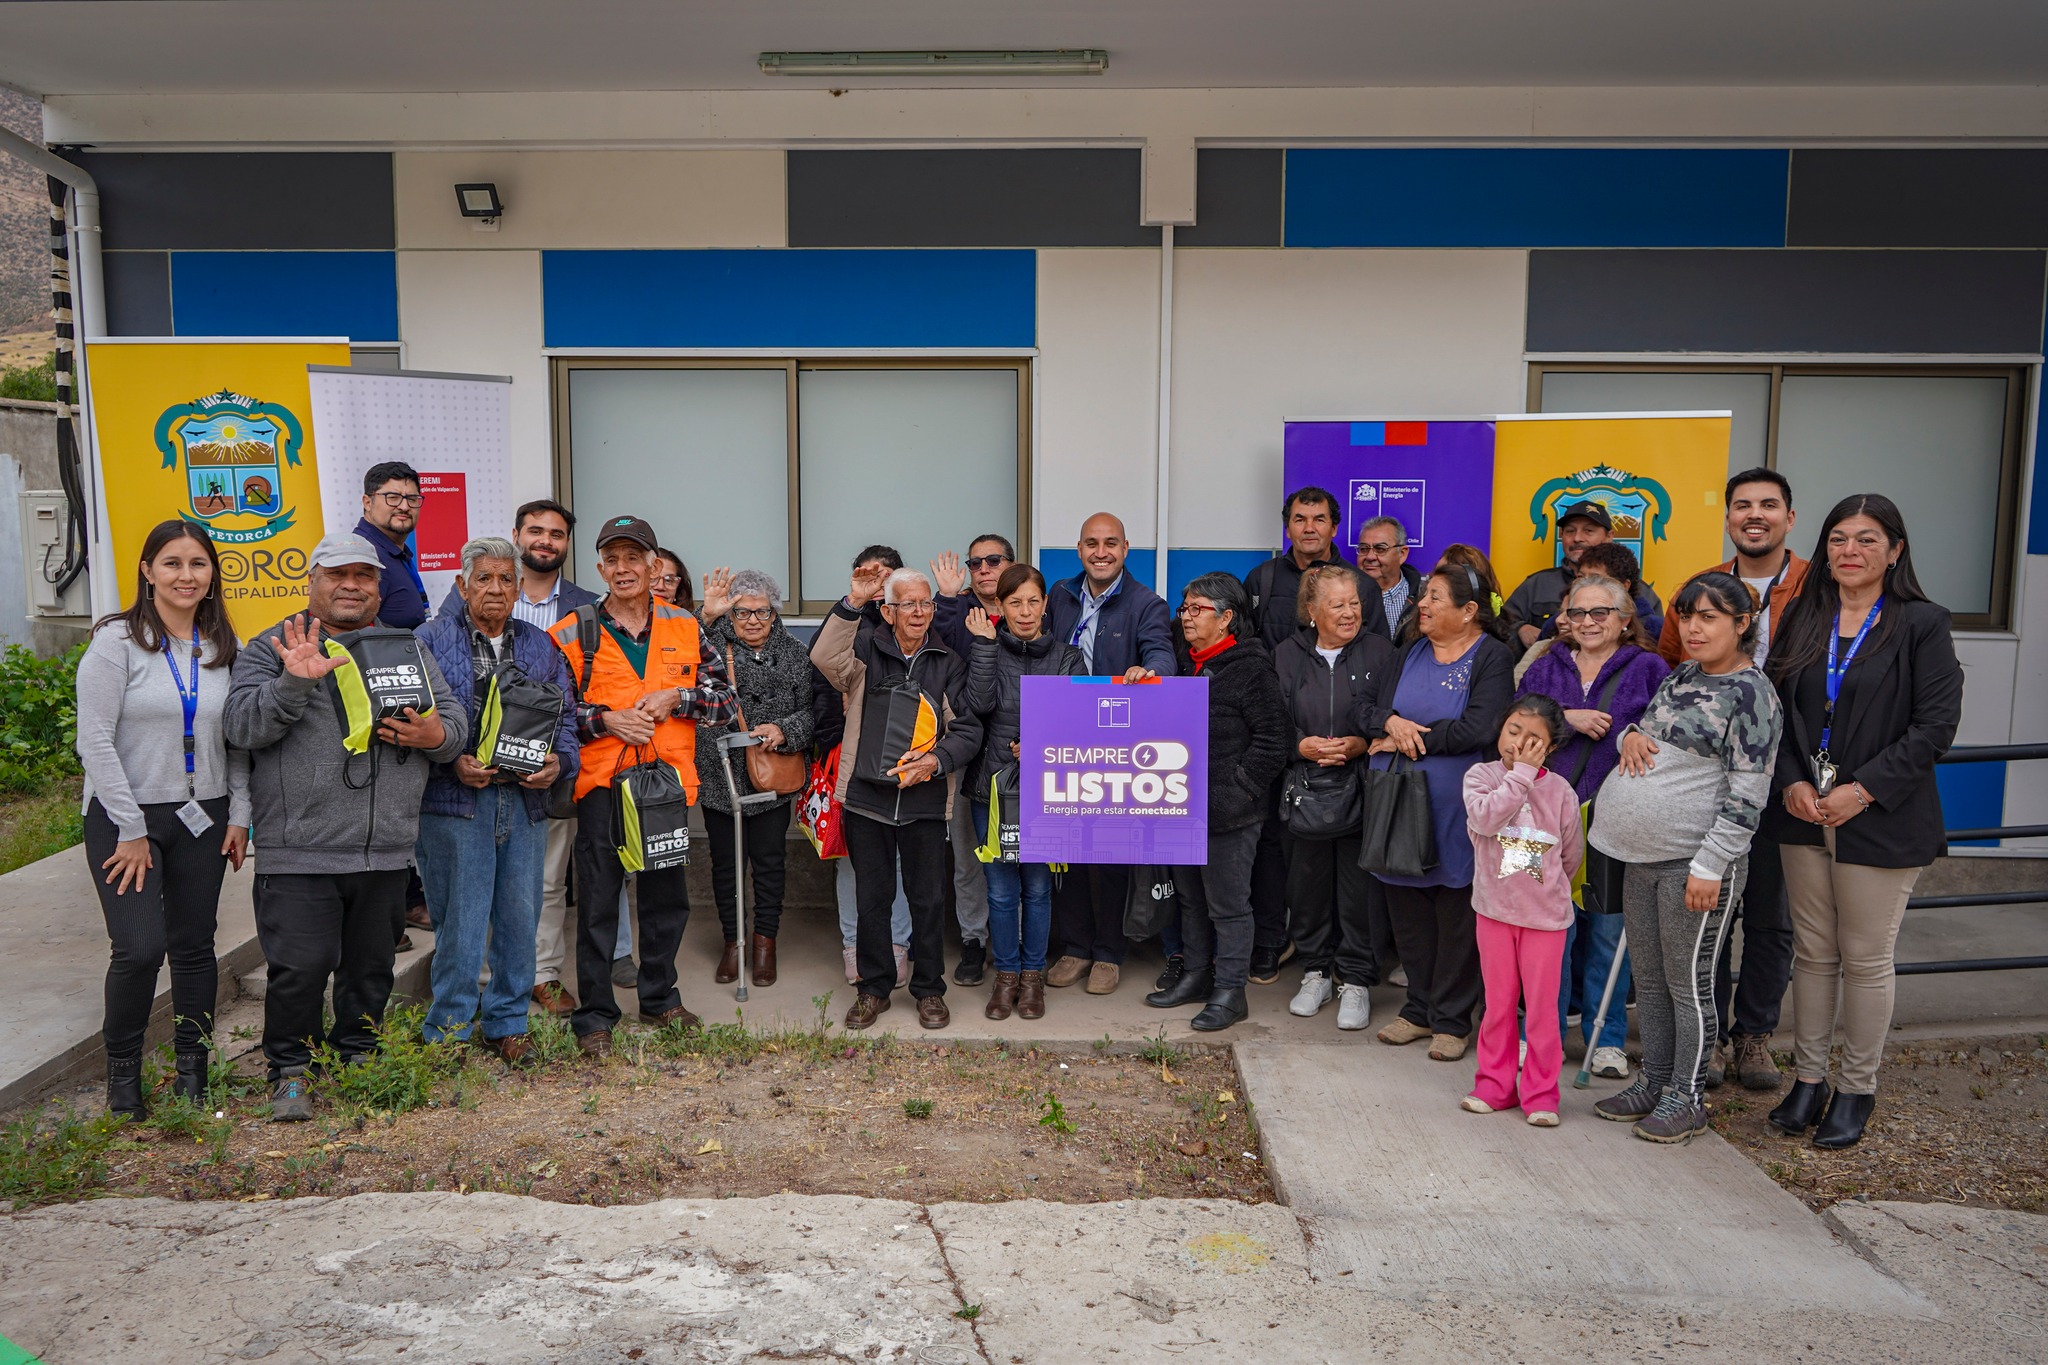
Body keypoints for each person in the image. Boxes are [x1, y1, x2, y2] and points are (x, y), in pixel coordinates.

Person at [225, 532, 466, 1122]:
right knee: (299, 970)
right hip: (300, 850)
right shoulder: (271, 646)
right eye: (339, 574)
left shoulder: (406, 648)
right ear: (313, 581)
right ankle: (290, 1070)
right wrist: (294, 683)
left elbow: (454, 719)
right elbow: (240, 728)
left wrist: (436, 736)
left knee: (369, 970)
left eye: (366, 575)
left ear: (380, 587)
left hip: (384, 849)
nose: (353, 585)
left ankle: (357, 1055)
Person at [1764, 495, 1960, 1151]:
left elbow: (1934, 726)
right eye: (1839, 538)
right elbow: (1773, 706)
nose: (1851, 550)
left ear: (1895, 550)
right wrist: (1791, 778)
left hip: (1879, 816)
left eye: (1868, 539)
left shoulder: (1922, 623)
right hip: (1802, 809)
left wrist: (1864, 788)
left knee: (1866, 959)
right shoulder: (1803, 615)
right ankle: (1810, 1079)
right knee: (1814, 954)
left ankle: (1856, 1088)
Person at [1589, 572, 1782, 1145]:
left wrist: (1710, 865)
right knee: (1648, 981)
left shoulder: (1752, 694)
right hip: (1644, 858)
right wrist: (1627, 734)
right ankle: (1656, 1081)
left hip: (1694, 866)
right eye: (1687, 615)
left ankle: (1687, 1097)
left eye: (1709, 617)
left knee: (1687, 984)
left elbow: (1750, 793)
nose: (1694, 628)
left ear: (1741, 624)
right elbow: (1653, 738)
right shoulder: (1683, 675)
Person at [76, 518, 250, 1119]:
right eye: (171, 563)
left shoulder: (226, 649)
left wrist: (241, 816)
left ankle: (192, 1073)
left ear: (212, 576)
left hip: (206, 813)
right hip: (127, 816)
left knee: (195, 947)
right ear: (148, 571)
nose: (185, 575)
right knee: (140, 949)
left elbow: (240, 745)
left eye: (197, 564)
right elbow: (94, 740)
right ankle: (122, 1079)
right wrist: (130, 827)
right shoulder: (116, 643)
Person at [546, 514, 735, 1056]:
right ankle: (596, 1015)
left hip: (666, 786)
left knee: (666, 899)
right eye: (614, 559)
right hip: (602, 785)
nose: (624, 568)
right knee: (601, 902)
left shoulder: (688, 627)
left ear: (655, 567)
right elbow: (556, 715)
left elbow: (724, 704)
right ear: (600, 567)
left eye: (635, 558)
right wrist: (604, 720)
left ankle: (659, 998)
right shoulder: (572, 631)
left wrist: (680, 699)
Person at [1659, 468, 1810, 1092]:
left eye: (1769, 505)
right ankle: (1713, 1036)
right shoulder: (1702, 588)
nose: (1756, 515)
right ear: (1727, 517)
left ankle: (1755, 1036)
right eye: (1742, 505)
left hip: (1788, 777)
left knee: (1772, 916)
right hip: (1709, 783)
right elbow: (1671, 665)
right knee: (1711, 908)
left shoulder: (1814, 587)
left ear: (1789, 518)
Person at [414, 537, 578, 1064]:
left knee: (518, 917)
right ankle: (450, 1029)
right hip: (455, 804)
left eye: (506, 579)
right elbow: (406, 721)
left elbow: (567, 720)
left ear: (519, 588)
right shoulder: (428, 641)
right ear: (462, 585)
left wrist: (557, 765)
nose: (496, 589)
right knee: (460, 921)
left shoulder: (539, 644)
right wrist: (450, 757)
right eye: (483, 578)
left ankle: (508, 1022)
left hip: (525, 805)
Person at [812, 561, 983, 1031]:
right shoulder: (867, 649)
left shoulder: (947, 662)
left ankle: (929, 990)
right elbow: (825, 659)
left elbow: (967, 730)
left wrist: (935, 761)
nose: (920, 612)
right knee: (873, 898)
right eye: (909, 604)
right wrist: (852, 605)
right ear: (888, 611)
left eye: (926, 603)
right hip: (867, 798)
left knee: (927, 899)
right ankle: (874, 989)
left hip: (925, 802)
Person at [1515, 574, 1671, 1079]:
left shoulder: (1649, 667)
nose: (1586, 623)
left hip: (1615, 818)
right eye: (1577, 613)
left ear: (1625, 621)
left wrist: (1631, 733)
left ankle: (1606, 1041)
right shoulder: (1545, 665)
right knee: (1546, 935)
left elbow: (1665, 734)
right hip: (1540, 819)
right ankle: (1543, 1036)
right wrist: (1567, 718)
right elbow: (1517, 729)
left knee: (1608, 932)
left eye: (1599, 613)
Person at [1358, 565, 1514, 1061]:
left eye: (1436, 597)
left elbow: (1480, 728)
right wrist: (1388, 722)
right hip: (1399, 806)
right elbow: (1364, 708)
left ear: (1469, 611)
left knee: (1455, 916)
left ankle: (1451, 1021)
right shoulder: (1407, 652)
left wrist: (1404, 738)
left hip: (1459, 810)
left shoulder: (1492, 656)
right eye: (1424, 595)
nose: (1422, 603)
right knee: (1408, 914)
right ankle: (1417, 1011)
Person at [1144, 573, 1289, 1032]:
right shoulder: (1184, 667)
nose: (1185, 617)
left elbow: (1273, 742)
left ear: (1226, 618)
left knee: (1228, 904)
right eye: (1184, 609)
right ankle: (1195, 976)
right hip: (1180, 807)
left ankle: (1230, 991)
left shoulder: (1251, 668)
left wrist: (1237, 792)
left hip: (1230, 812)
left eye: (1196, 609)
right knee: (1191, 900)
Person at [1043, 512, 1178, 994]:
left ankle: (1108, 954)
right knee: (1071, 850)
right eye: (1092, 544)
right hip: (1063, 735)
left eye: (1111, 544)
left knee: (1114, 851)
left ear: (1126, 549)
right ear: (1079, 549)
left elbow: (1162, 652)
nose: (1101, 552)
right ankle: (1076, 948)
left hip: (1118, 741)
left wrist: (1151, 671)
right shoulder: (1058, 595)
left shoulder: (1147, 603)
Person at [1272, 563, 1396, 1030]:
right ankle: (1316, 971)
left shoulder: (1382, 653)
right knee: (1306, 887)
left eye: (1355, 603)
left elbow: (1391, 716)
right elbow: (1272, 723)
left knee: (1358, 890)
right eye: (1337, 605)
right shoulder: (1285, 655)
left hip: (1361, 790)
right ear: (1311, 611)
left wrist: (1362, 743)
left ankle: (1358, 980)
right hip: (1303, 791)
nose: (1349, 613)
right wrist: (1299, 745)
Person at [961, 564, 1086, 1019]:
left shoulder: (1069, 656)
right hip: (992, 788)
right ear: (1001, 606)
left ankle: (1033, 978)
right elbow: (979, 704)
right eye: (1015, 602)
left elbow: (1079, 719)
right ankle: (1006, 976)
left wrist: (1042, 744)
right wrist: (985, 645)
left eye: (1033, 601)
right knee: (999, 890)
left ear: (1045, 604)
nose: (1026, 611)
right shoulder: (987, 646)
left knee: (1037, 888)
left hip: (1047, 787)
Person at [1460, 695, 1583, 1128]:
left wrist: (1547, 893)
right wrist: (1521, 778)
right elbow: (1486, 821)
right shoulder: (1481, 777)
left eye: (1534, 740)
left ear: (1550, 748)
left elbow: (1570, 856)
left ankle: (1541, 1094)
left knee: (1543, 1010)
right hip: (1494, 913)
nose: (1519, 743)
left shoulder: (1562, 791)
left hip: (1545, 921)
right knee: (1498, 1005)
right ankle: (1494, 1086)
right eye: (1514, 731)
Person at [694, 567, 814, 988]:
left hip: (772, 775)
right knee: (726, 864)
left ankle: (765, 943)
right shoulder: (710, 643)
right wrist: (705, 615)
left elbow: (813, 712)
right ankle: (734, 943)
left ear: (774, 612)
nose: (753, 622)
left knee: (768, 862)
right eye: (742, 614)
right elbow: (677, 656)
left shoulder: (796, 652)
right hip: (720, 773)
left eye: (762, 613)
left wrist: (785, 731)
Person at [505, 499, 601, 1019]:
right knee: (486, 875)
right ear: (516, 534)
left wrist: (562, 755)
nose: (545, 541)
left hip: (555, 760)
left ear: (568, 544)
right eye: (535, 531)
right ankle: (486, 978)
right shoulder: (484, 590)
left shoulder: (588, 608)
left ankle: (543, 974)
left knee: (547, 879)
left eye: (557, 534)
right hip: (482, 761)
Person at [821, 545, 915, 987]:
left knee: (899, 859)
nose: (878, 584)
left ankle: (897, 945)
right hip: (853, 758)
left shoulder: (916, 622)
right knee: (851, 857)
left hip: (906, 760)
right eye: (868, 575)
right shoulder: (848, 618)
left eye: (886, 576)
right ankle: (854, 943)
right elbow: (821, 667)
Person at [930, 533, 1017, 988]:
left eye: (994, 560)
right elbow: (943, 651)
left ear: (1012, 564)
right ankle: (972, 942)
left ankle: (1016, 946)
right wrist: (947, 599)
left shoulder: (1031, 608)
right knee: (967, 857)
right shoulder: (955, 609)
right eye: (976, 562)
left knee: (1018, 855)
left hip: (1020, 756)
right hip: (967, 752)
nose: (984, 568)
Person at [354, 460, 434, 944]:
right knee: (378, 804)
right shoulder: (366, 554)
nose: (404, 506)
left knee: (399, 802)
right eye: (392, 497)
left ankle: (401, 903)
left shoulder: (398, 551)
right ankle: (381, 919)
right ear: (367, 502)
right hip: (375, 692)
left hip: (402, 689)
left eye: (412, 498)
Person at [1502, 501, 1662, 654]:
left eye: (1588, 531)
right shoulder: (1536, 584)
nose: (1577, 538)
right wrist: (1520, 628)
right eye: (1570, 531)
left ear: (1609, 536)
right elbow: (1498, 626)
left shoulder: (1642, 593)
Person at [1247, 487, 1390, 648]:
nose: (1309, 528)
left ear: (1334, 528)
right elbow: (1245, 645)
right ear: (1287, 529)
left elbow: (1378, 652)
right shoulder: (1261, 579)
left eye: (1319, 520)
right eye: (1300, 520)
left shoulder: (1362, 585)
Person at [1356, 515, 1423, 643]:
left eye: (1380, 549)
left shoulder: (1424, 597)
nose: (1370, 556)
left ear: (1402, 554)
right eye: (1364, 549)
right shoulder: (1344, 596)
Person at [652, 548, 694, 612]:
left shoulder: (687, 620)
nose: (660, 587)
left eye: (668, 580)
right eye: (653, 578)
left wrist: (706, 617)